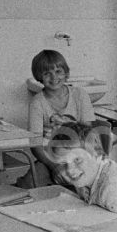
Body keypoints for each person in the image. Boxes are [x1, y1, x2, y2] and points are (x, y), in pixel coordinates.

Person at [26, 49, 96, 186]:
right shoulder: (37, 102)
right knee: (28, 185)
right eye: (47, 73)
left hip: (78, 155)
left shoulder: (80, 95)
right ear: (39, 77)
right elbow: (35, 144)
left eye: (58, 71)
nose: (54, 77)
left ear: (66, 73)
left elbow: (87, 133)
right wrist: (53, 166)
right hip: (49, 158)